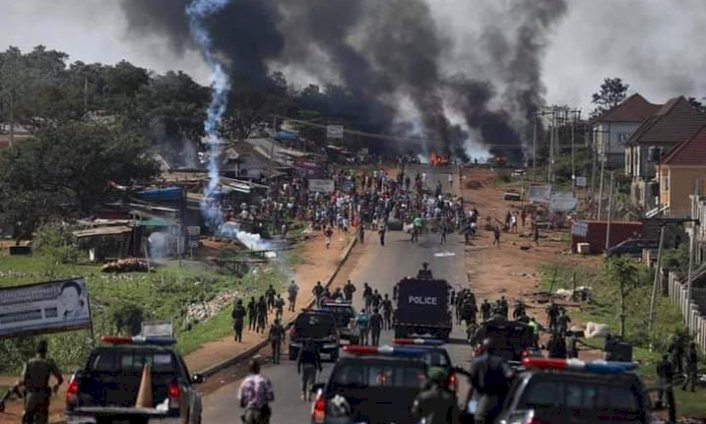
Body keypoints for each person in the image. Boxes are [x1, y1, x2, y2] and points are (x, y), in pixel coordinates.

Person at [467, 338, 514, 424]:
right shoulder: (500, 361)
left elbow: (471, 378)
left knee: (470, 412)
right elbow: (510, 374)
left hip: (477, 395)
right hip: (495, 397)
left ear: (483, 348)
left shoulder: (477, 361)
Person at [20, 340, 63, 424]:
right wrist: (56, 386)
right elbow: (60, 378)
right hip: (43, 395)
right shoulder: (49, 362)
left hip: (31, 395)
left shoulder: (29, 362)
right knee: (42, 419)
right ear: (46, 351)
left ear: (36, 351)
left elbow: (23, 379)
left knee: (28, 418)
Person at [238, 359, 274, 424]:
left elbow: (241, 401)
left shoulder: (244, 382)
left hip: (249, 413)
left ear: (249, 369)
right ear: (258, 369)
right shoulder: (264, 380)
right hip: (261, 412)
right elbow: (271, 397)